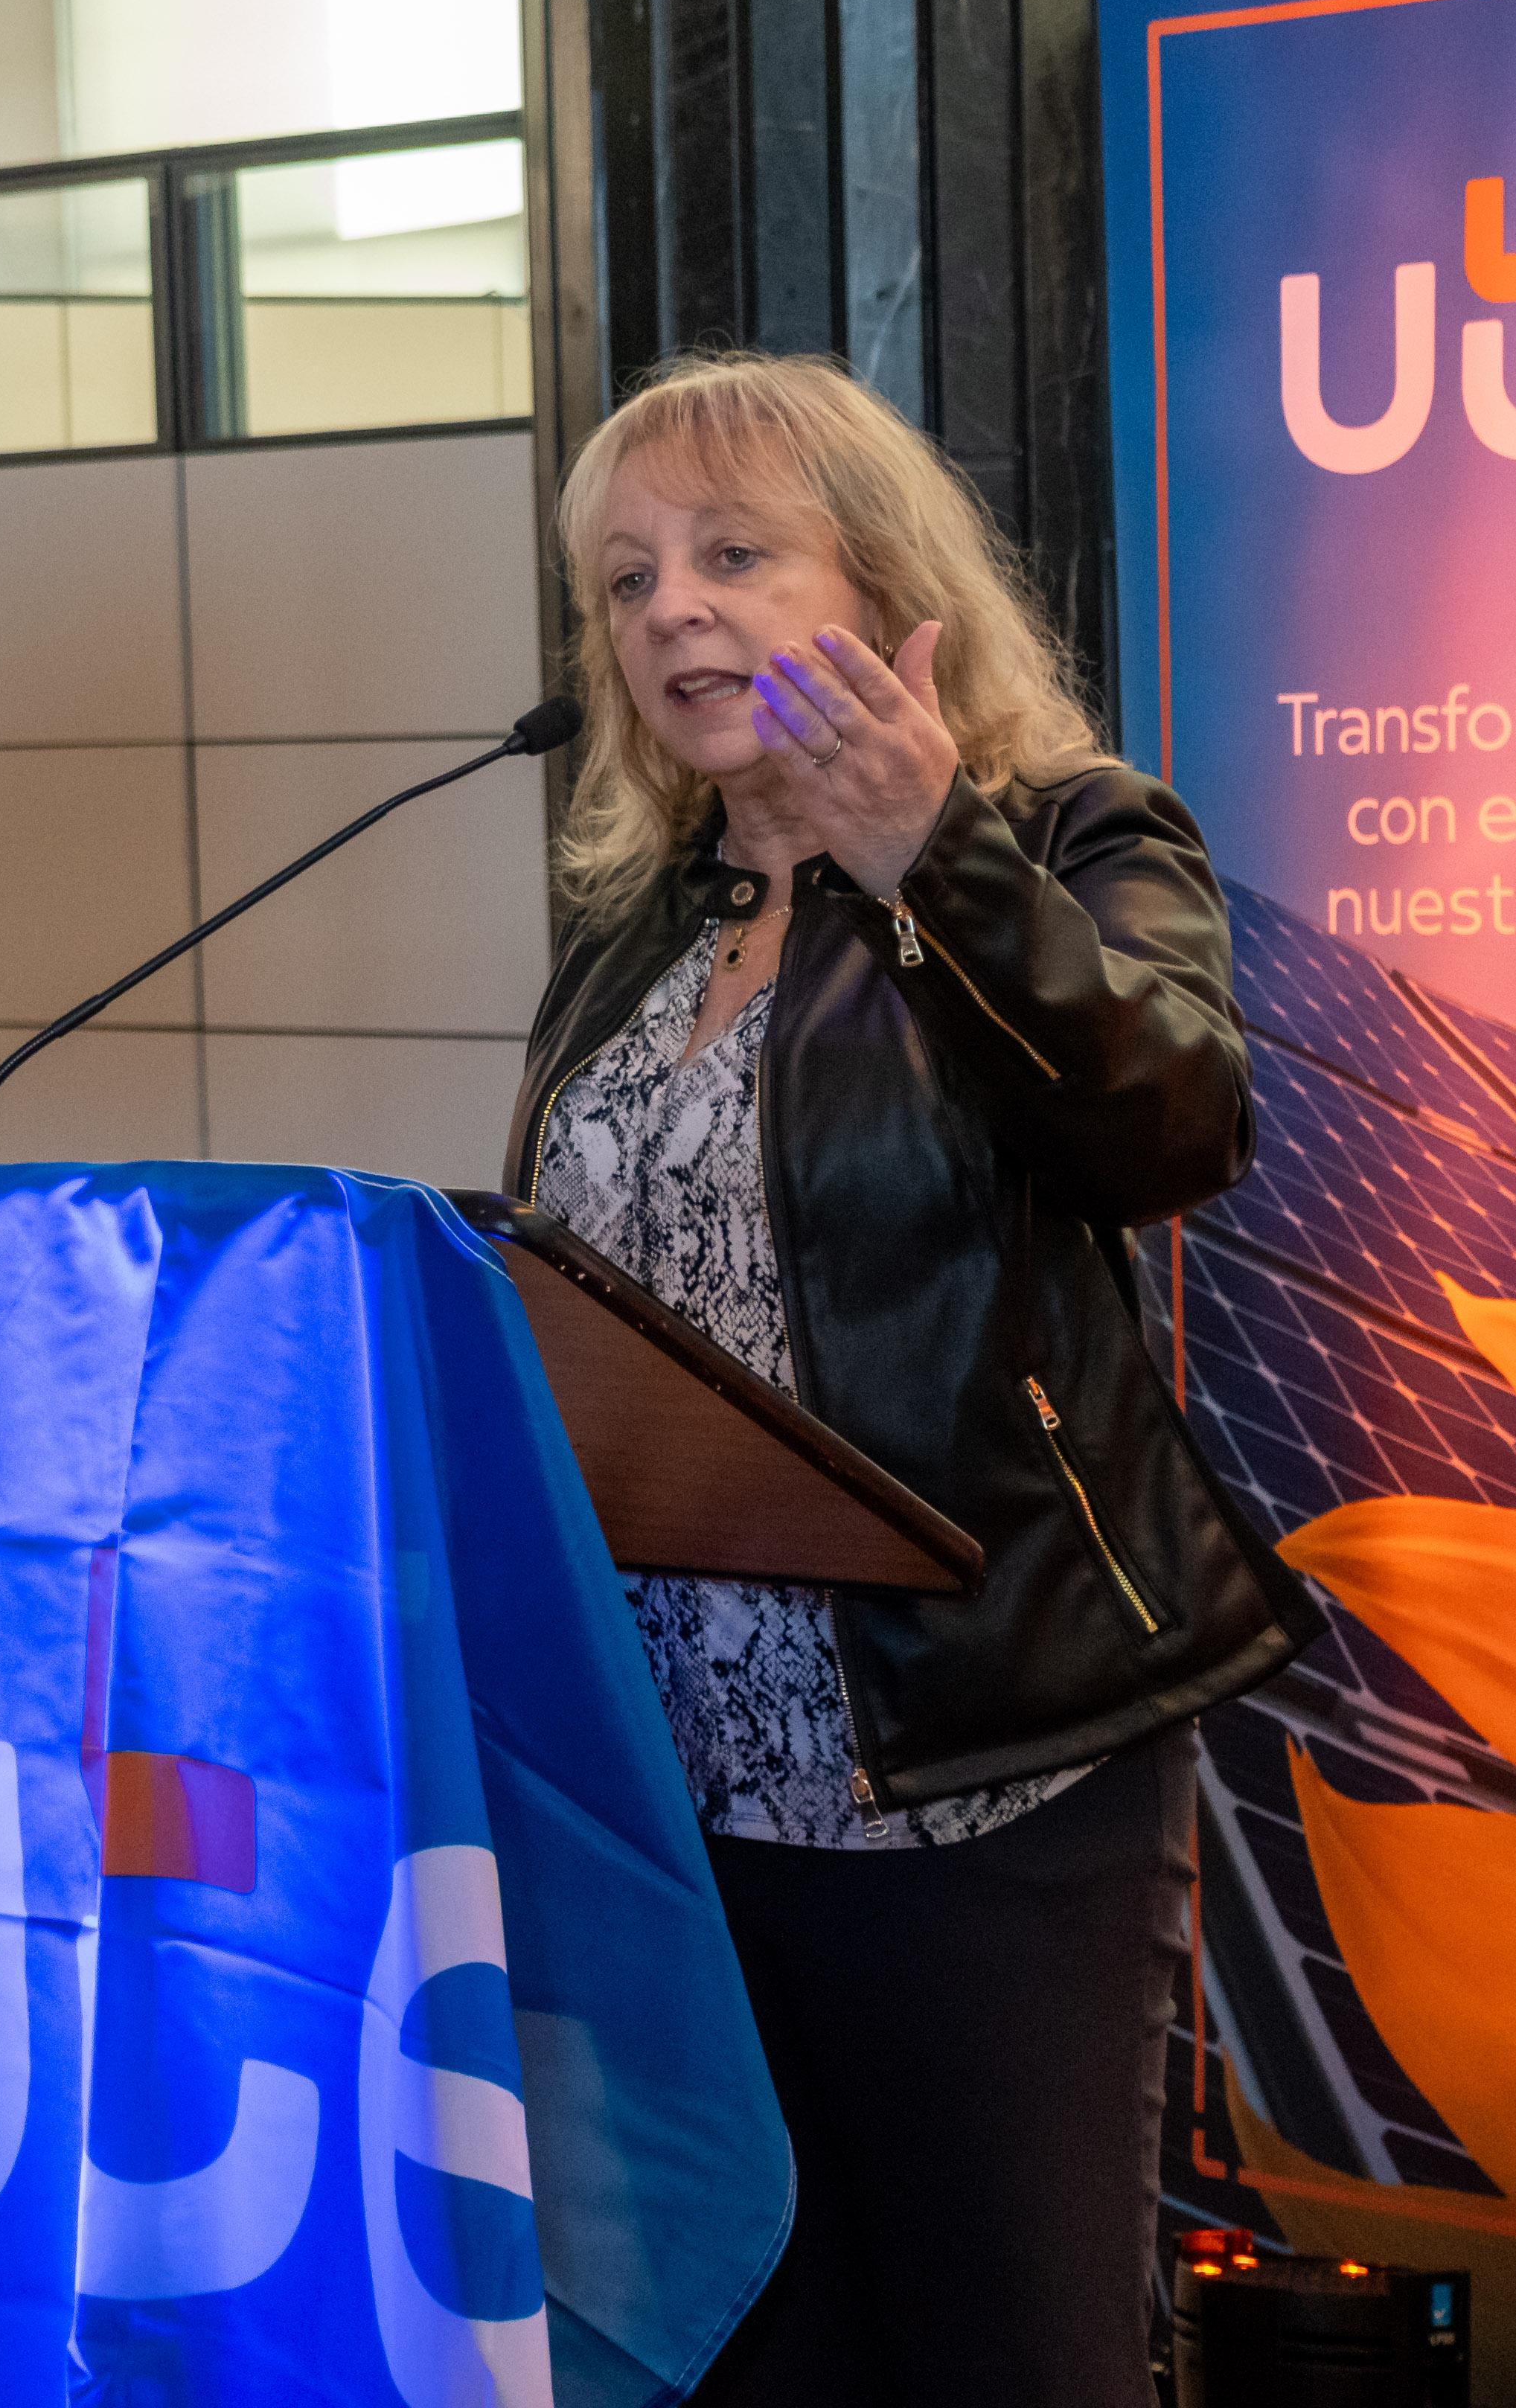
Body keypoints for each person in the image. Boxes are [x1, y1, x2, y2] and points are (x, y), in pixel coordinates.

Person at [505, 350, 1322, 2408]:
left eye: (731, 555)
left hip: (978, 1763)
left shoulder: (1065, 835)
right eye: (623, 580)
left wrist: (932, 856)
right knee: (752, 2342)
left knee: (1006, 2353)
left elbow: (1175, 1129)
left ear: (883, 585)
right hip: (676, 1785)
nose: (668, 609)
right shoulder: (642, 920)